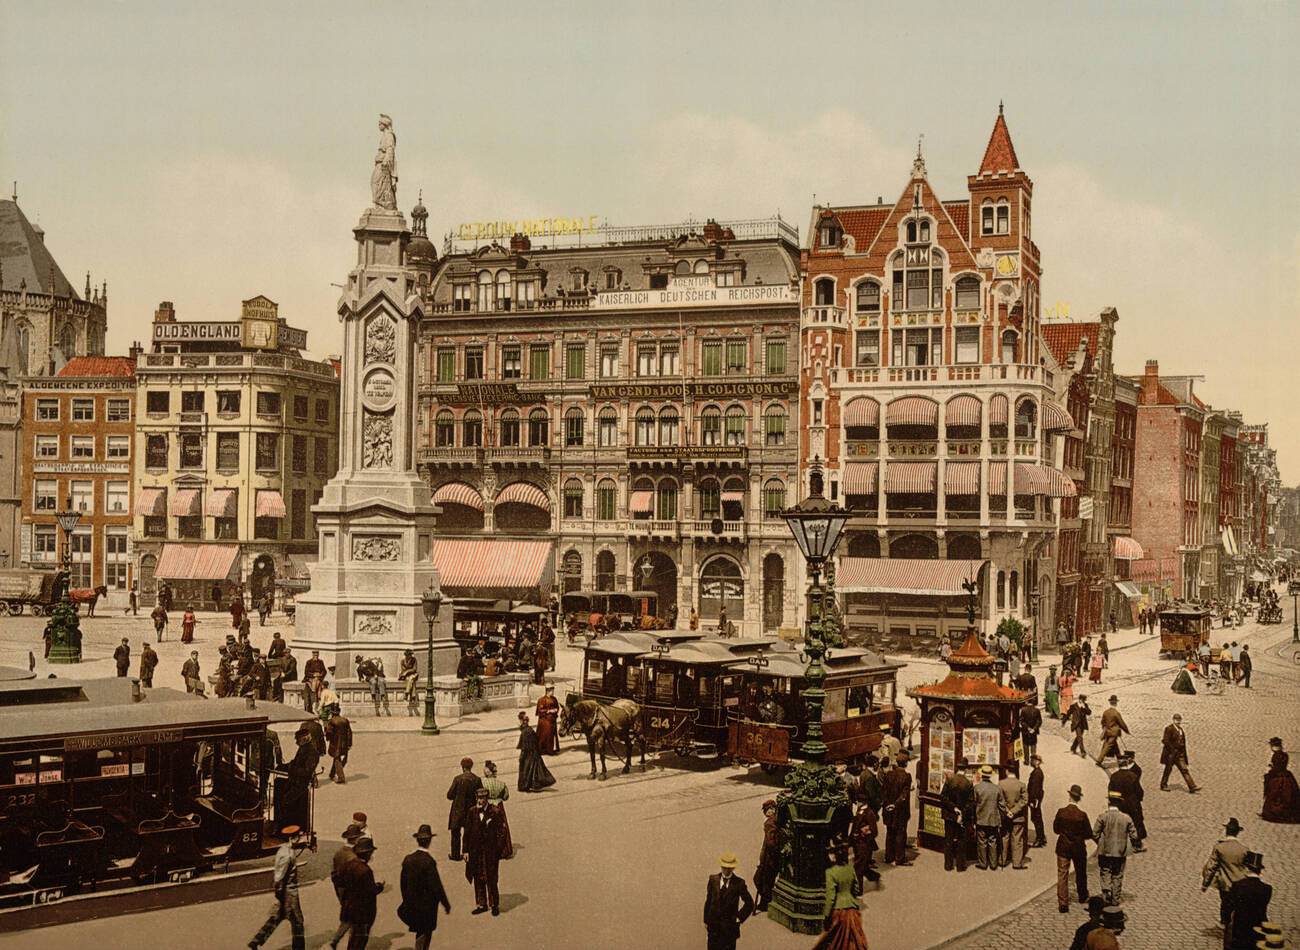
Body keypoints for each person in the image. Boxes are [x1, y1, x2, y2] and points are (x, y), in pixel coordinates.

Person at [248, 826, 306, 950]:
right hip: (289, 893)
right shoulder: (288, 855)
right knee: (298, 922)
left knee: (277, 918)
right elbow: (279, 878)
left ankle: (256, 941)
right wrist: (280, 895)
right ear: (292, 838)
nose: (299, 839)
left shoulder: (283, 850)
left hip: (285, 892)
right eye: (298, 837)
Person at [398, 823, 451, 950]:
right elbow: (436, 886)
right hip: (427, 907)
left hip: (412, 903)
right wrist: (446, 904)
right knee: (425, 935)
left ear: (418, 840)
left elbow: (402, 883)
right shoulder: (429, 861)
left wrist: (406, 900)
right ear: (430, 841)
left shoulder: (408, 859)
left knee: (420, 932)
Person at [813, 844, 868, 950]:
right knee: (854, 940)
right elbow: (856, 889)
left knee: (834, 940)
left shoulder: (830, 872)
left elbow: (831, 896)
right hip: (852, 909)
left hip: (838, 911)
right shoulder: (850, 869)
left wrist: (826, 915)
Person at [335, 836, 383, 949]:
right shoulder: (365, 870)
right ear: (367, 854)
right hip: (363, 913)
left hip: (349, 908)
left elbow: (338, 881)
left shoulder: (348, 865)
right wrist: (379, 887)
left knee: (353, 940)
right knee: (360, 942)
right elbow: (371, 891)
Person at [463, 787, 505, 916]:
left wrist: (498, 850)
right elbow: (467, 832)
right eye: (479, 798)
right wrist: (465, 851)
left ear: (487, 799)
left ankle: (494, 905)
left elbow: (502, 833)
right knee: (478, 877)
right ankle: (481, 904)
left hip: (490, 852)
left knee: (491, 878)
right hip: (475, 851)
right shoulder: (472, 812)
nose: (480, 801)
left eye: (482, 798)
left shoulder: (495, 811)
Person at [1201, 817, 1248, 931]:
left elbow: (1211, 867)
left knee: (1226, 903)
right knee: (1238, 904)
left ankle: (1225, 924)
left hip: (1225, 883)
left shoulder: (1220, 847)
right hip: (1240, 882)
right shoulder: (1244, 849)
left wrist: (1205, 884)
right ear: (1237, 832)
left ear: (1226, 831)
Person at [1093, 790, 1140, 904]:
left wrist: (1101, 842)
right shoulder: (1126, 818)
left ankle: (1106, 893)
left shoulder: (1102, 817)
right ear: (1119, 803)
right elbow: (1134, 836)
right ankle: (1115, 898)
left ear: (1109, 802)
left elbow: (1095, 833)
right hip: (1120, 852)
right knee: (1118, 874)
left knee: (1105, 872)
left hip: (1105, 851)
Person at [703, 852, 754, 950]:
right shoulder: (713, 880)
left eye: (729, 868)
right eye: (724, 867)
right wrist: (706, 919)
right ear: (721, 866)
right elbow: (708, 900)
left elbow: (749, 903)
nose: (726, 870)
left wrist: (739, 917)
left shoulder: (739, 883)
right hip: (714, 927)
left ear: (733, 868)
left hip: (729, 929)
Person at [1054, 784, 1092, 912]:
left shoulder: (1061, 812)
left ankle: (1063, 903)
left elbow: (1056, 829)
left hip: (1063, 847)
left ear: (1069, 796)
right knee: (1081, 872)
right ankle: (1082, 896)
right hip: (1078, 848)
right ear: (1079, 799)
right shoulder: (1082, 815)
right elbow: (1088, 834)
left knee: (1062, 874)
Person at [1225, 851, 1271, 950]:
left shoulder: (1237, 885)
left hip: (1240, 927)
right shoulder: (1267, 888)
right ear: (1259, 871)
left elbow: (1229, 906)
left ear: (1246, 869)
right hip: (1258, 927)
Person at [881, 750, 912, 866]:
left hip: (888, 809)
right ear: (905, 764)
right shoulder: (906, 776)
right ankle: (900, 858)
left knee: (889, 833)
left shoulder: (888, 774)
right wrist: (895, 804)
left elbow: (883, 791)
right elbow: (904, 795)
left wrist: (887, 804)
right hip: (900, 810)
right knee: (900, 833)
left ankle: (889, 856)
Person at [1108, 753, 1147, 845]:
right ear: (1126, 763)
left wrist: (1115, 802)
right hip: (1132, 804)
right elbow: (1139, 792)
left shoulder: (1114, 776)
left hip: (1120, 804)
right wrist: (1137, 800)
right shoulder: (1133, 776)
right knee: (1135, 822)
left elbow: (1112, 792)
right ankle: (1136, 843)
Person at [940, 766, 974, 872]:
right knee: (961, 841)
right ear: (966, 770)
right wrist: (962, 813)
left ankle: (948, 865)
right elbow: (970, 803)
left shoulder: (950, 780)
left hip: (949, 815)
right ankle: (960, 865)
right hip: (962, 818)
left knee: (948, 839)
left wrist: (953, 808)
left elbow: (943, 797)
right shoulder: (968, 783)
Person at [1261, 737, 1300, 823]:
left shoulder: (1276, 755)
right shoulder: (1285, 755)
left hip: (1278, 777)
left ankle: (1275, 814)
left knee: (1275, 794)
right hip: (1286, 776)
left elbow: (1277, 768)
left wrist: (1270, 771)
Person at [1159, 713, 1200, 793]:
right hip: (1170, 755)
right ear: (1173, 720)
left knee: (1184, 770)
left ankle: (1192, 787)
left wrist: (1183, 754)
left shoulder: (1181, 730)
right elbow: (1165, 741)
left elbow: (1183, 743)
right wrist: (1172, 749)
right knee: (1168, 770)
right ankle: (1163, 785)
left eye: (1179, 720)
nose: (1178, 721)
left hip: (1179, 755)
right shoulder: (1169, 729)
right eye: (1176, 720)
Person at [517, 711, 556, 792]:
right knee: (535, 770)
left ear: (522, 721)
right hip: (534, 753)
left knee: (527, 770)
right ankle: (533, 784)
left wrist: (522, 756)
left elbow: (525, 747)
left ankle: (525, 786)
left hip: (529, 754)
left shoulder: (525, 732)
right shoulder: (529, 729)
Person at [999, 765, 1029, 870]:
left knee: (1004, 837)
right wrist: (1013, 811)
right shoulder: (1021, 785)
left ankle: (1002, 860)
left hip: (1005, 816)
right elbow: (1024, 801)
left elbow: (1000, 800)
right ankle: (1017, 863)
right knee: (1017, 839)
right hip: (1018, 817)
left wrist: (1007, 811)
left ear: (1007, 771)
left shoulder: (1001, 784)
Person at [482, 760, 513, 859]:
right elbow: (506, 796)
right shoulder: (502, 784)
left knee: (487, 828)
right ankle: (504, 850)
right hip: (499, 805)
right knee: (501, 827)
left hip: (488, 806)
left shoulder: (482, 783)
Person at [973, 764, 1002, 871]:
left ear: (982, 775)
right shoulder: (996, 788)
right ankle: (993, 864)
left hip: (981, 818)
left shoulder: (977, 788)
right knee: (992, 841)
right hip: (993, 819)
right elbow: (1001, 804)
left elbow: (974, 803)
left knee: (981, 842)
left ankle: (983, 863)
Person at [754, 800, 781, 910]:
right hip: (774, 859)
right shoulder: (777, 820)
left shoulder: (769, 823)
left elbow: (770, 843)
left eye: (766, 810)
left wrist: (769, 856)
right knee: (767, 881)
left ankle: (767, 901)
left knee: (758, 879)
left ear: (772, 810)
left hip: (768, 859)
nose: (765, 813)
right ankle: (765, 902)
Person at [1095, 695, 1129, 768]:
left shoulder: (1106, 712)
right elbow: (1121, 723)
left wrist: (1106, 728)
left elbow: (1102, 722)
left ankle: (1120, 761)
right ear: (1116, 703)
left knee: (1115, 748)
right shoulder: (1116, 713)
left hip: (1108, 732)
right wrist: (1127, 730)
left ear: (1110, 703)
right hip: (1114, 733)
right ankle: (1099, 761)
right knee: (1107, 747)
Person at [326, 710, 352, 785]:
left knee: (337, 758)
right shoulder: (345, 720)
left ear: (332, 713)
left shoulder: (332, 721)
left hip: (335, 742)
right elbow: (349, 732)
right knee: (337, 757)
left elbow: (329, 733)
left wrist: (328, 738)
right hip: (344, 742)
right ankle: (332, 774)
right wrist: (349, 743)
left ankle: (341, 777)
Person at [535, 685, 561, 755]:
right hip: (545, 720)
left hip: (552, 720)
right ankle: (542, 750)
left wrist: (556, 710)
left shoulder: (554, 699)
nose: (553, 692)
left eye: (553, 690)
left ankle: (551, 749)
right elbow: (540, 710)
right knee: (544, 735)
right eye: (552, 691)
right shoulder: (542, 700)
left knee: (552, 735)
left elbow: (557, 707)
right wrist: (549, 711)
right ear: (548, 691)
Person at [1027, 755, 1047, 848]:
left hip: (1034, 800)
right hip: (1036, 799)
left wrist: (1032, 800)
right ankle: (1041, 838)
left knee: (1036, 818)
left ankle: (1040, 839)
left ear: (1037, 761)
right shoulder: (1037, 772)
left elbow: (1035, 788)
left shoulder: (1037, 773)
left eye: (1032, 760)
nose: (1031, 762)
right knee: (1037, 818)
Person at [1067, 693, 1091, 757]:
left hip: (1083, 724)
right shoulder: (1074, 706)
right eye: (1083, 700)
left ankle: (1073, 748)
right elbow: (1068, 713)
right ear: (1080, 700)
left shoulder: (1085, 705)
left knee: (1078, 737)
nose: (1083, 701)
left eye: (1084, 700)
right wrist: (1064, 721)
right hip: (1076, 724)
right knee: (1080, 737)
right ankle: (1082, 751)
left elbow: (1089, 713)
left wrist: (1084, 708)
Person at [1019, 700, 1042, 765]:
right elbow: (1039, 721)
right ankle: (1033, 761)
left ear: (1027, 702)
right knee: (1033, 746)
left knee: (1025, 746)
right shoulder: (1037, 710)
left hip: (1025, 731)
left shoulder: (1023, 710)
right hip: (1034, 732)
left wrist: (1028, 728)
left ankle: (1026, 761)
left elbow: (1022, 721)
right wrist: (1034, 729)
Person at [399, 650, 420, 716]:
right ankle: (413, 696)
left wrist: (407, 672)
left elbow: (414, 669)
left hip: (413, 674)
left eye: (410, 655)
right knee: (411, 681)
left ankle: (406, 693)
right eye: (408, 655)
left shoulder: (414, 660)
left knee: (411, 679)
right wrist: (405, 673)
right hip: (406, 676)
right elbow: (402, 670)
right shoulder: (402, 661)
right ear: (406, 655)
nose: (410, 656)